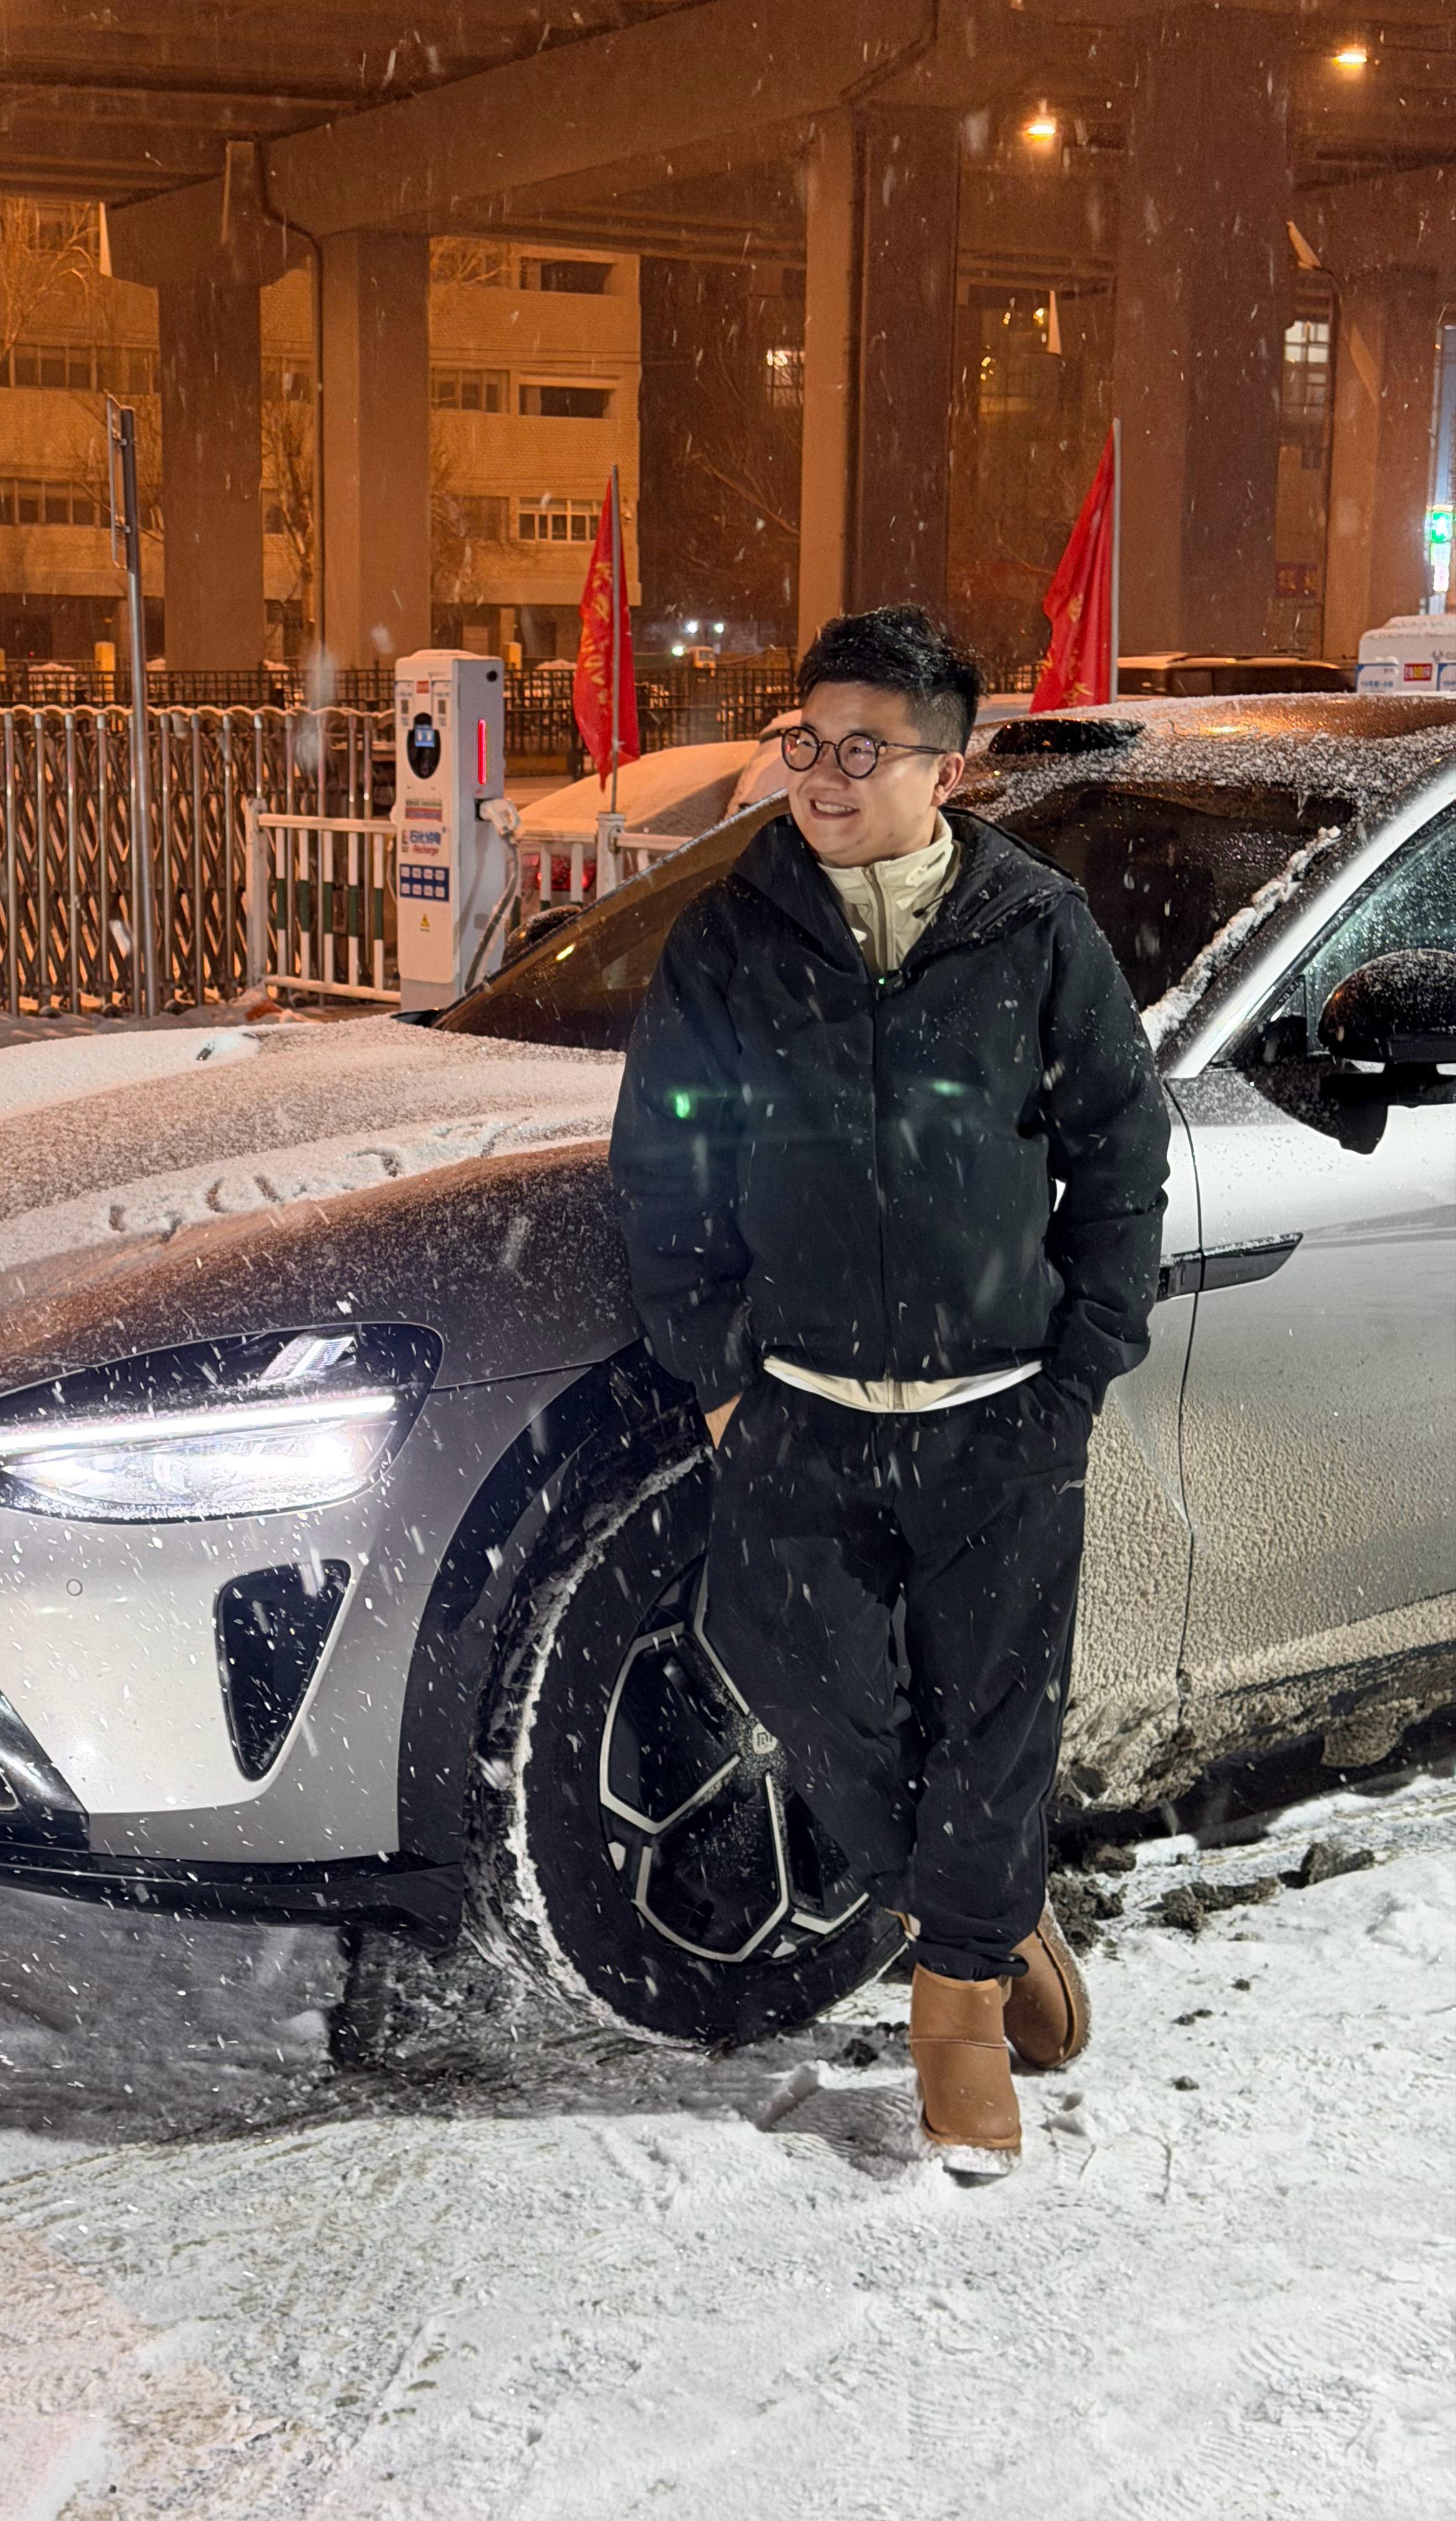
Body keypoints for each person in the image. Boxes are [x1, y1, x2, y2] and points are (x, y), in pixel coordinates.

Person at [608, 606, 1171, 2176]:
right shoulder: (736, 932)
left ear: (946, 763)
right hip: (797, 1409)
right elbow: (667, 1164)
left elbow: (1124, 1157)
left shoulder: (1035, 927)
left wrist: (1080, 1375)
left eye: (863, 748)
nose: (824, 774)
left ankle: (959, 2019)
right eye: (805, 741)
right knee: (814, 1693)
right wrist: (721, 1382)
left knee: (995, 1719)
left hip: (1002, 1414)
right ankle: (983, 1915)